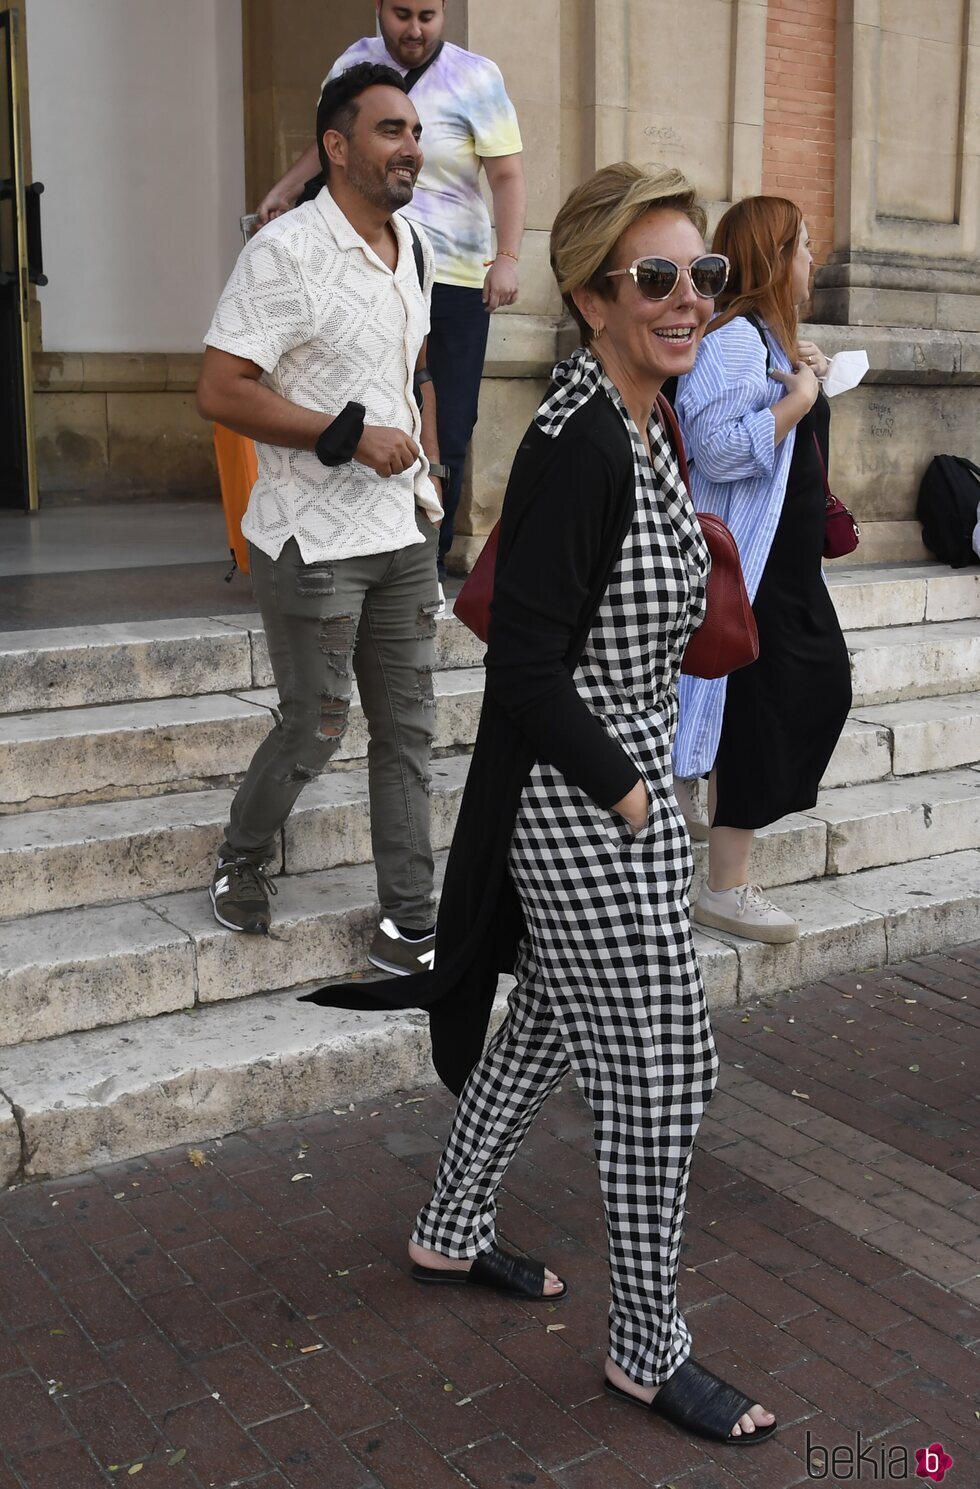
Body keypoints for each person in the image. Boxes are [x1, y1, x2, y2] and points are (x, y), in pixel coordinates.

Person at [303, 162, 777, 1447]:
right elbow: (519, 663)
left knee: (546, 1032)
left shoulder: (635, 409)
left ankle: (448, 1230)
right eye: (655, 279)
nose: (688, 301)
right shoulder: (580, 441)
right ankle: (646, 1348)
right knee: (667, 1071)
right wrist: (631, 796)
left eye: (704, 278)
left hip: (603, 788)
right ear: (587, 295)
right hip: (584, 804)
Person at [196, 63, 444, 976]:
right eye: (389, 130)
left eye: (414, 130)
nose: (410, 146)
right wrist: (348, 435)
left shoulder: (412, 243)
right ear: (336, 149)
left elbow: (416, 362)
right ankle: (241, 854)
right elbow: (219, 391)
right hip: (310, 536)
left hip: (400, 533)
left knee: (409, 731)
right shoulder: (285, 252)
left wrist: (427, 447)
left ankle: (409, 922)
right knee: (315, 723)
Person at [256, 0, 526, 574]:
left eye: (428, 15)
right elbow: (330, 142)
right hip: (360, 264)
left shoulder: (476, 75)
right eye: (402, 13)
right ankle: (353, 542)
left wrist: (507, 257)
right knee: (357, 402)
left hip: (451, 274)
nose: (415, 28)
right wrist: (284, 188)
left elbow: (505, 173)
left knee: (447, 418)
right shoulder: (353, 63)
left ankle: (427, 548)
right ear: (380, 9)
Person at [672, 197, 852, 943]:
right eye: (804, 246)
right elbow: (713, 446)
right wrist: (799, 399)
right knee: (772, 705)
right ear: (775, 258)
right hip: (753, 567)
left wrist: (803, 377)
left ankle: (715, 870)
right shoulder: (734, 342)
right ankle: (724, 884)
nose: (813, 260)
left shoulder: (764, 342)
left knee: (794, 697)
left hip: (781, 565)